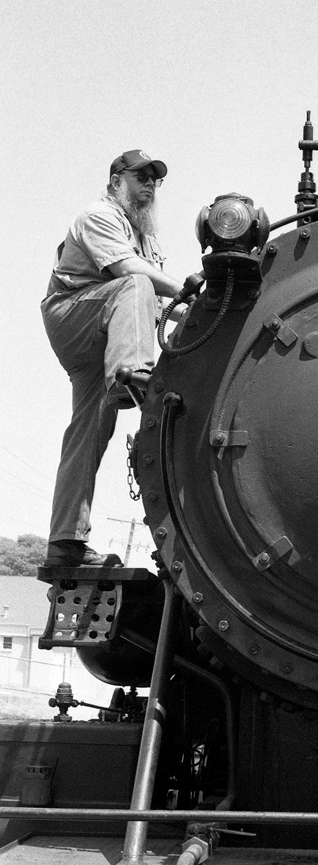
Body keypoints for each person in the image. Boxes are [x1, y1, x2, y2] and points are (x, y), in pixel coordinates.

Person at [41, 149, 185, 569]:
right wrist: (189, 292)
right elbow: (129, 275)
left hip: (104, 330)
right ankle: (133, 374)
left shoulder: (148, 240)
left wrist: (200, 311)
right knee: (135, 282)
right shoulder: (97, 215)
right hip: (72, 316)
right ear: (115, 181)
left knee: (88, 430)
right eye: (141, 177)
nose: (149, 186)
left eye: (154, 181)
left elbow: (157, 305)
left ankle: (65, 539)